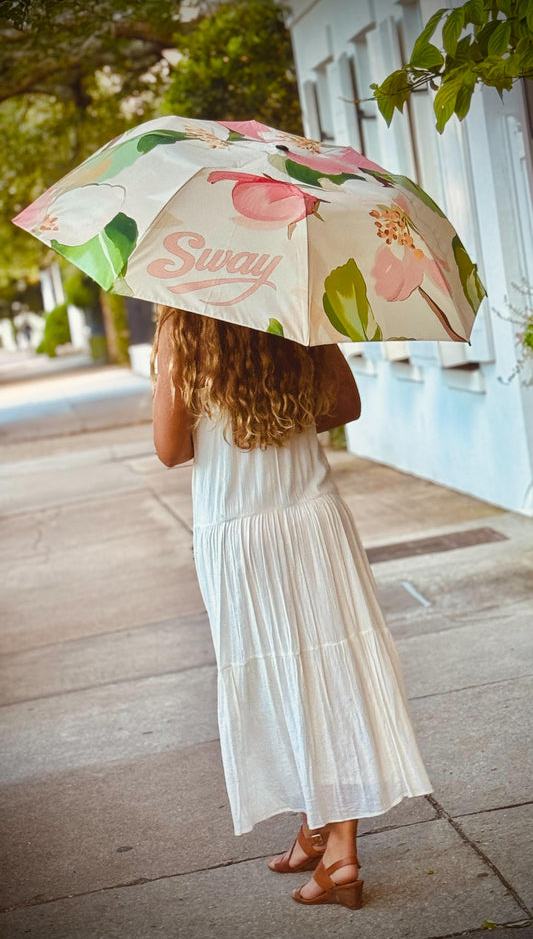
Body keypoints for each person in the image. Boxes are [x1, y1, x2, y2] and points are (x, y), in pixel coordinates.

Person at [151, 304, 432, 910]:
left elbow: (170, 449)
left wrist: (206, 401)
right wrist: (280, 404)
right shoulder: (293, 306)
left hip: (240, 531)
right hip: (313, 518)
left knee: (280, 677)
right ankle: (323, 832)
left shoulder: (185, 325)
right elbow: (344, 407)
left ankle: (338, 857)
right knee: (335, 674)